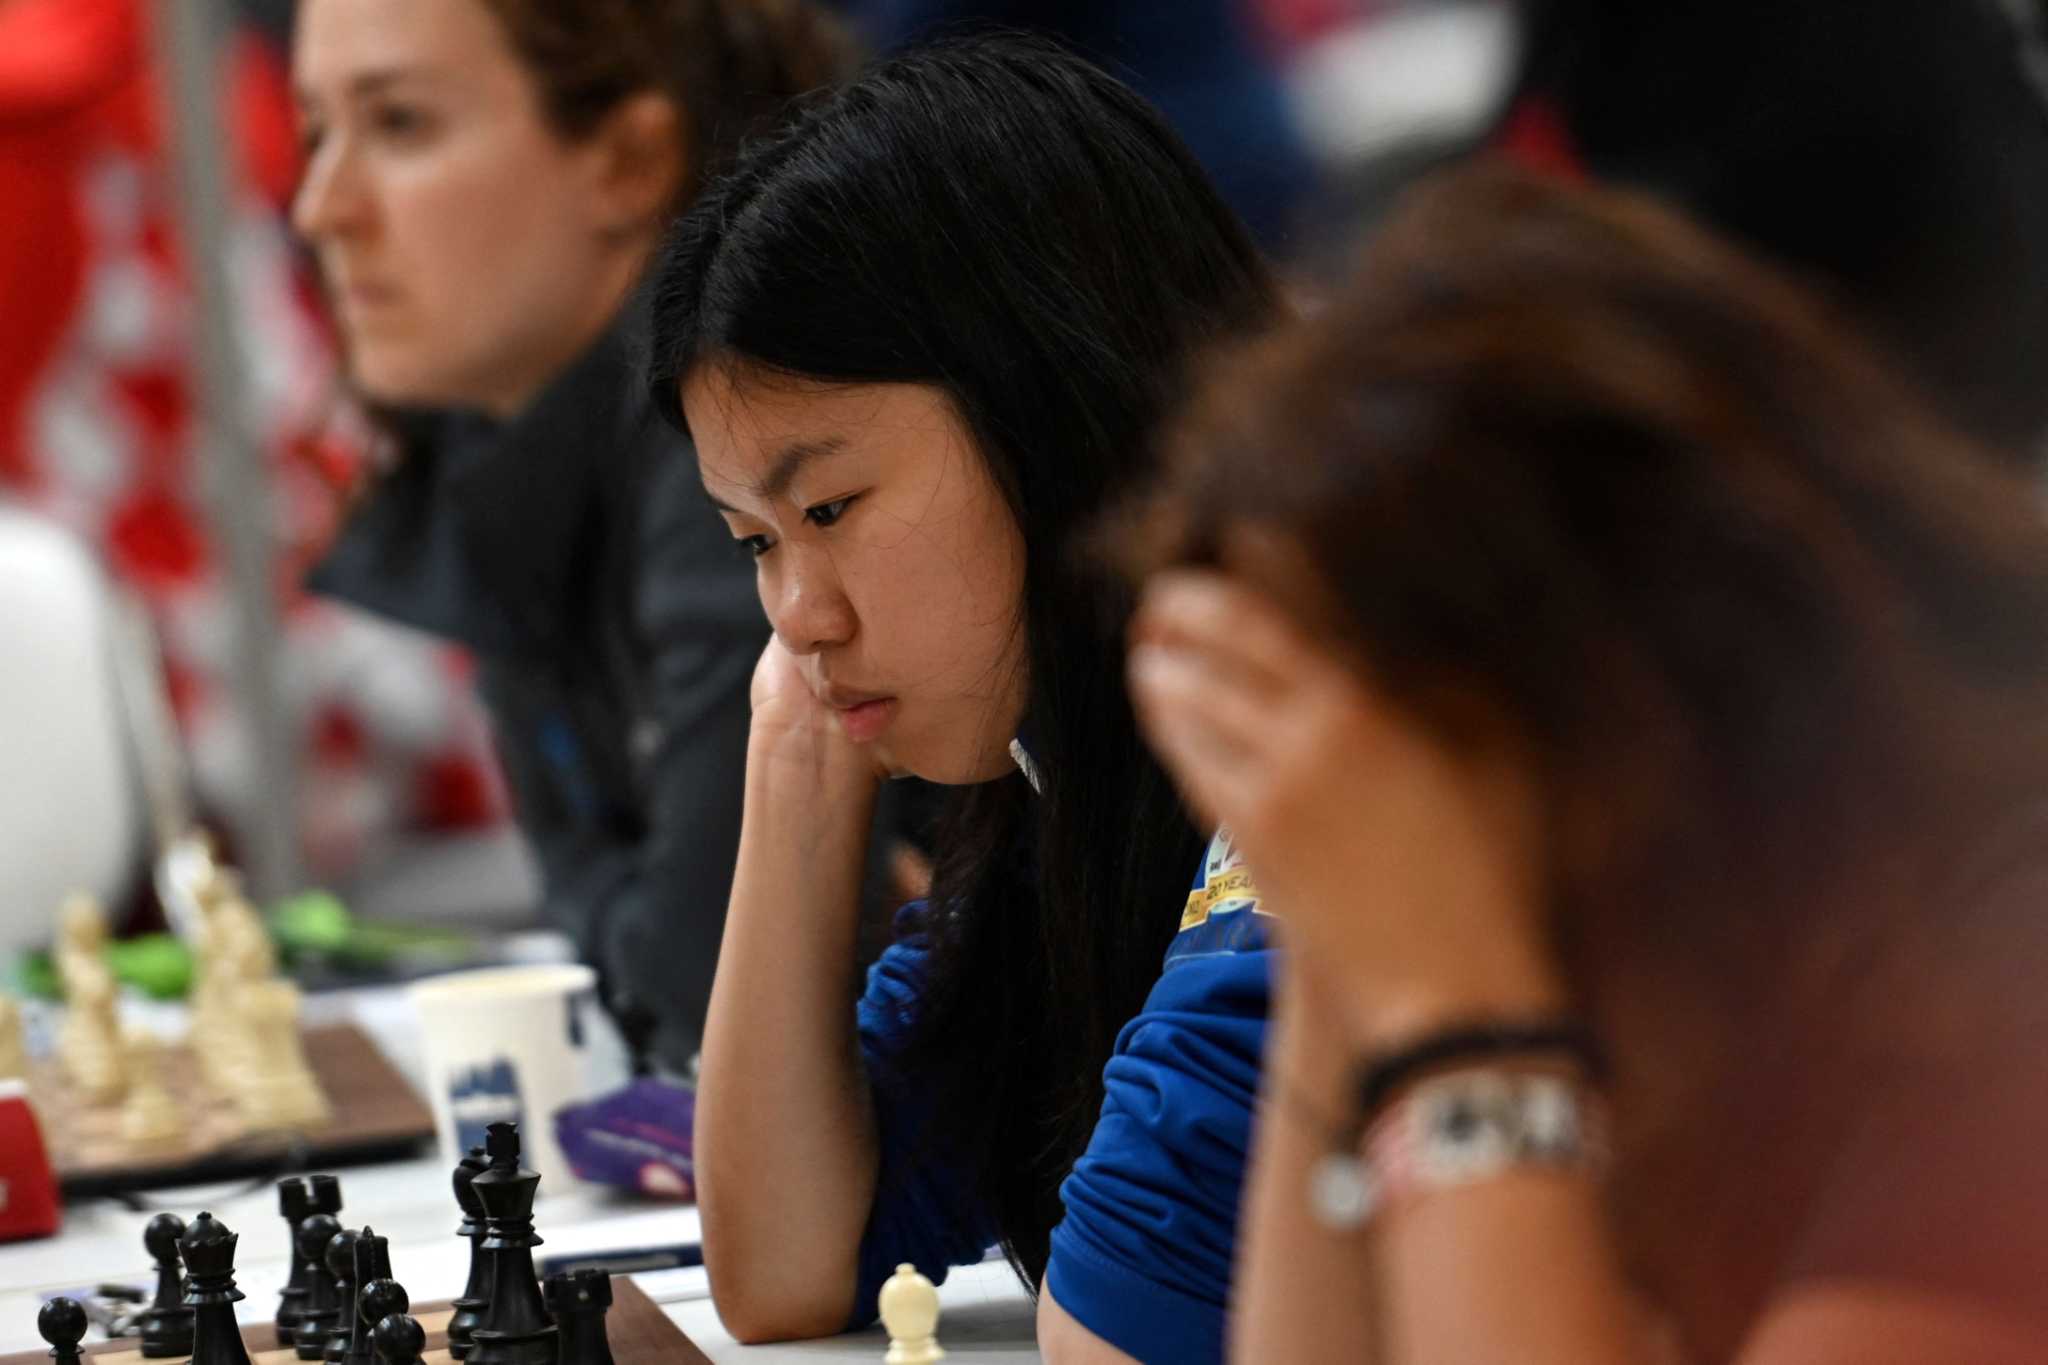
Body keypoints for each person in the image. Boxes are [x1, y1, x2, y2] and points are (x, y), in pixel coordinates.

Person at [1125, 166, 2048, 1362]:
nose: (1337, 804)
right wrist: (1337, 958)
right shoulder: (1683, 981)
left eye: (1374, 747)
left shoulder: (1999, 963)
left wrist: (1451, 1018)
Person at [642, 36, 1279, 1362]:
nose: (798, 614)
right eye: (754, 541)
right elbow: (782, 1269)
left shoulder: (1317, 732)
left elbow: (1111, 1334)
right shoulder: (1056, 787)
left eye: (830, 507)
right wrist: (795, 750)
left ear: (1058, 415)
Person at [291, 0, 860, 1076]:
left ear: (627, 160)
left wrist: (631, 934)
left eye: (400, 123)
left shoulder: (736, 428)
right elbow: (615, 935)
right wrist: (629, 931)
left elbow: (701, 981)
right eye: (316, 130)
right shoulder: (494, 447)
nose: (322, 208)